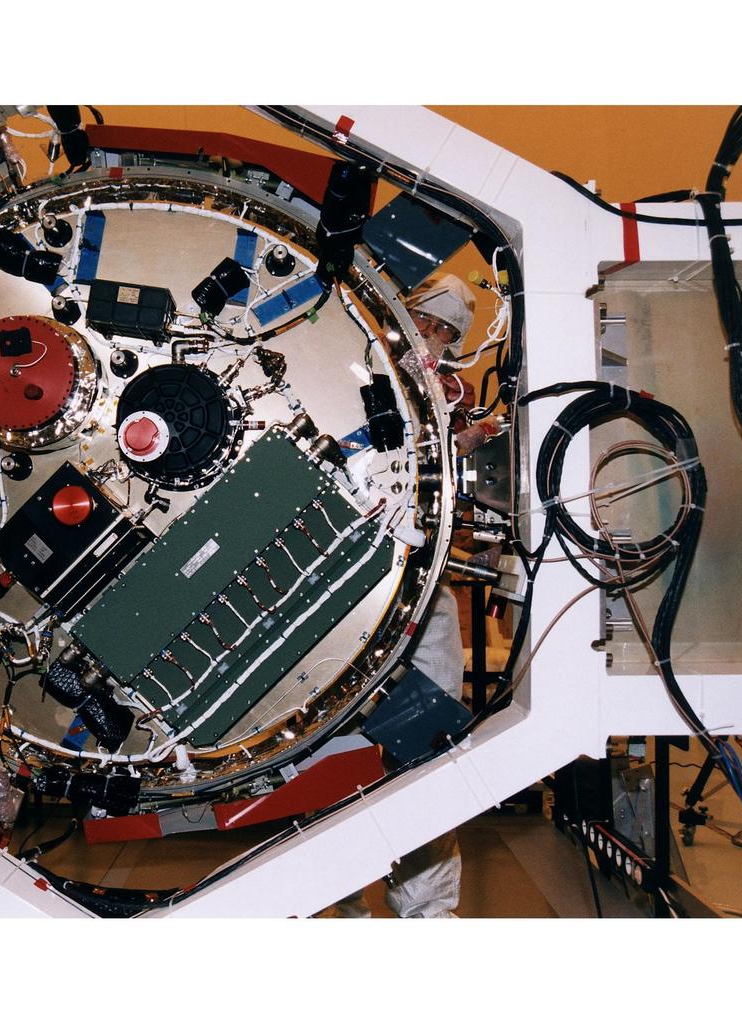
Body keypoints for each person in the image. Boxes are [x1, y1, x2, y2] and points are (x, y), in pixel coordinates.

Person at [329, 273, 477, 918]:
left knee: (431, 748)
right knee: (327, 751)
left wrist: (461, 441)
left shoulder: (450, 395)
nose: (433, 339)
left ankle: (428, 910)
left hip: (422, 589)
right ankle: (335, 900)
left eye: (446, 334)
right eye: (427, 322)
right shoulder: (347, 364)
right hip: (341, 590)